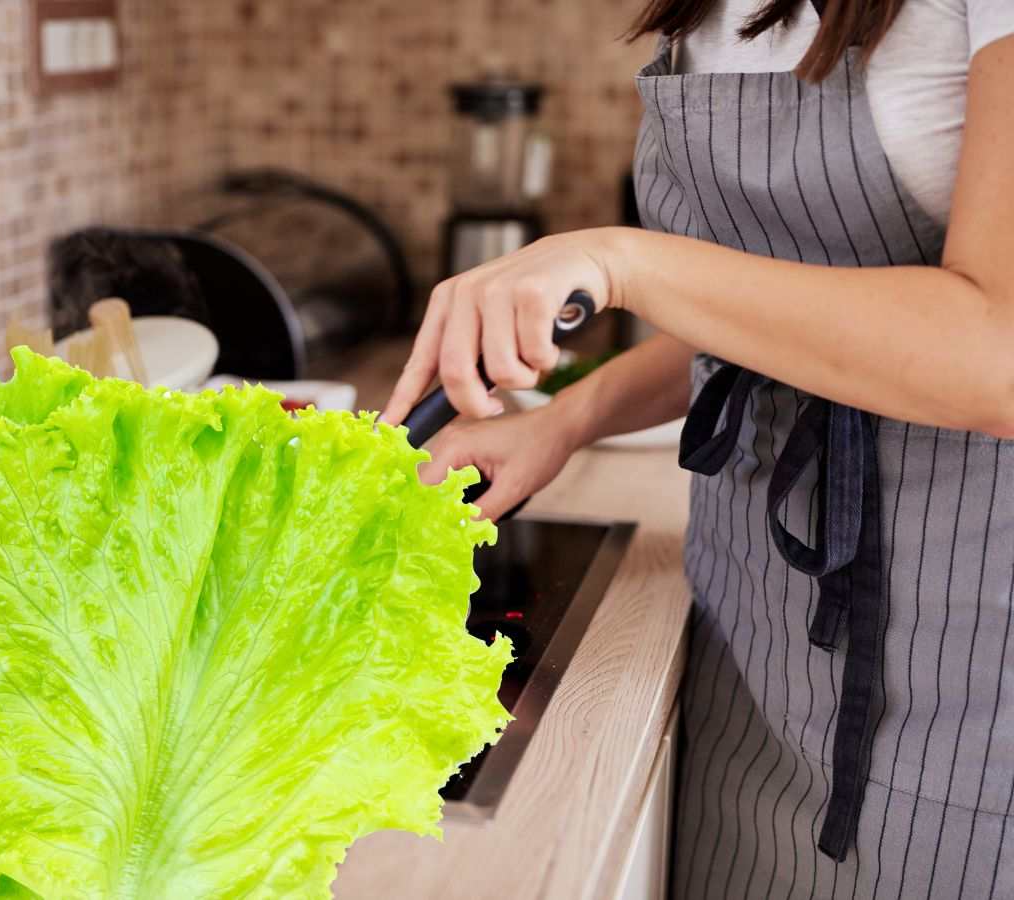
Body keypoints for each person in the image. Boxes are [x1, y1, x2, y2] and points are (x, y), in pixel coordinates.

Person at [380, 0, 1014, 896]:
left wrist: (619, 261)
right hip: (747, 624)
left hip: (957, 658)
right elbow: (782, 313)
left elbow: (997, 356)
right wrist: (568, 417)